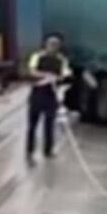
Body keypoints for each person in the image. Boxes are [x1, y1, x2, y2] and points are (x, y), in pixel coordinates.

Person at [23, 33, 70, 162]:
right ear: (46, 45)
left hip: (51, 96)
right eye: (51, 44)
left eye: (56, 45)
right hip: (37, 94)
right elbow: (31, 70)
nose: (53, 47)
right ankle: (30, 149)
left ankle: (48, 150)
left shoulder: (61, 60)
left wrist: (58, 78)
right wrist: (45, 75)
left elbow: (65, 74)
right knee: (32, 125)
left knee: (49, 123)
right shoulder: (37, 57)